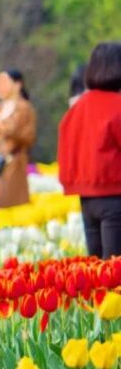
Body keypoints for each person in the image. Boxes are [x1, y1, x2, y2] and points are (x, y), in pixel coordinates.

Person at [58, 42, 121, 259]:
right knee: (115, 266)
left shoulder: (78, 108)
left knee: (96, 266)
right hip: (115, 193)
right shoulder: (117, 106)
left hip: (86, 197)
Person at [0, 70, 37, 212]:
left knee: (9, 206)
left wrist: (4, 128)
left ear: (17, 85)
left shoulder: (24, 108)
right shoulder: (1, 107)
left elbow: (28, 137)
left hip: (13, 163)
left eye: (4, 82)